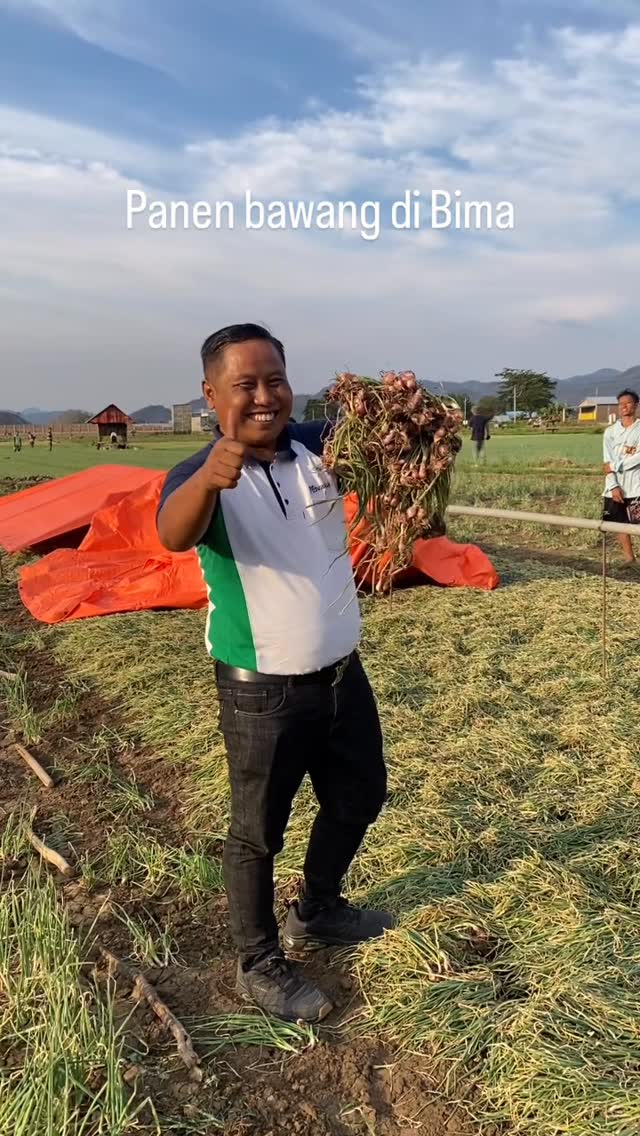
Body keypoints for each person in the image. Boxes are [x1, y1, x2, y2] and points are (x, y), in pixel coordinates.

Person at [157, 323, 391, 1024]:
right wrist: (211, 476)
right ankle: (257, 962)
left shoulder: (319, 448)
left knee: (360, 795)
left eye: (276, 380)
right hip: (262, 691)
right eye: (245, 385)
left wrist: (405, 411)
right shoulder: (198, 477)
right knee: (257, 831)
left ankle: (317, 908)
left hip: (342, 675)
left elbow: (378, 431)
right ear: (211, 395)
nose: (265, 396)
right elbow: (172, 532)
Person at [602, 388, 640, 567]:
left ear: (636, 405)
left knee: (637, 523)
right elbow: (607, 461)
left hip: (636, 485)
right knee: (619, 523)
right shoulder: (610, 432)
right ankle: (629, 559)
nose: (624, 407)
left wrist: (616, 466)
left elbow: (638, 458)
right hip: (615, 487)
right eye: (620, 404)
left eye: (628, 403)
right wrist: (613, 486)